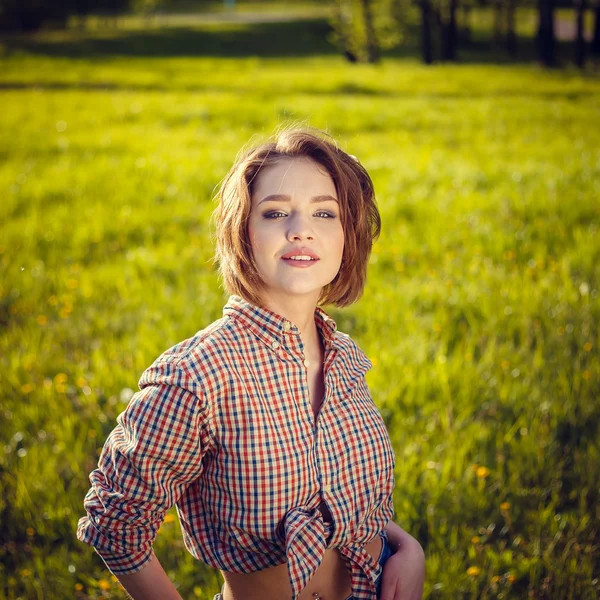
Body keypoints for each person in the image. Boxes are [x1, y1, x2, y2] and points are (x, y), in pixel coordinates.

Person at [77, 127, 425, 600]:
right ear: (242, 232)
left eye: (325, 212)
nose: (300, 228)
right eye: (276, 212)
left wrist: (405, 547)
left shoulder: (343, 359)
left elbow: (338, 494)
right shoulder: (198, 375)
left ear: (348, 237)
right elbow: (114, 523)